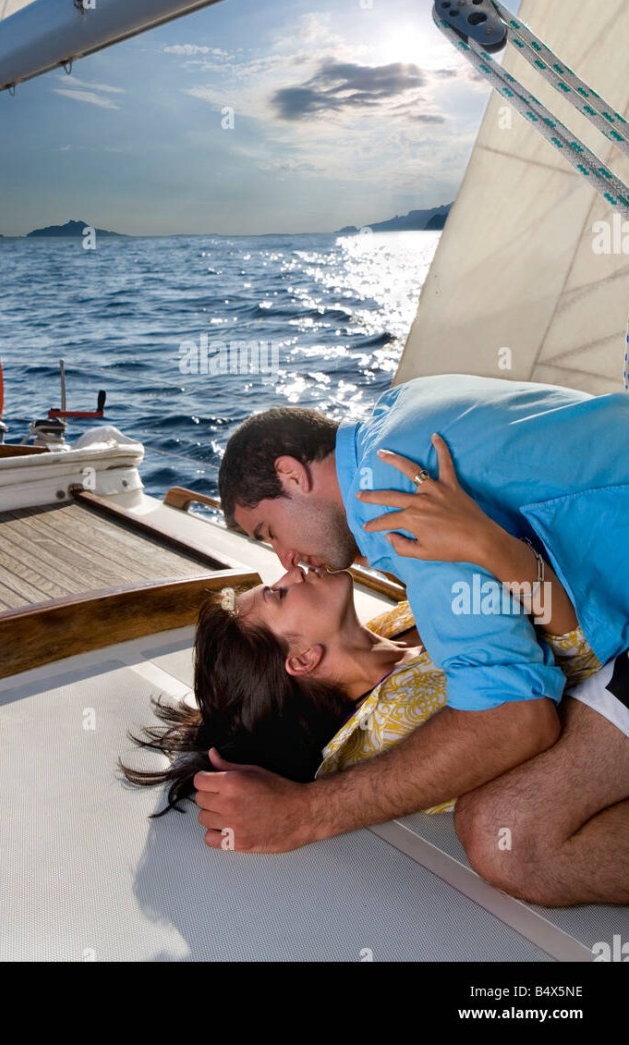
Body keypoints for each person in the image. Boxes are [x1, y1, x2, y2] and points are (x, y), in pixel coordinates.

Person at [202, 373, 629, 906]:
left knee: (509, 838)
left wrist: (306, 814)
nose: (286, 560)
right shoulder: (399, 412)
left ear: (291, 475)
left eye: (270, 532)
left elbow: (519, 713)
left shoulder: (392, 500)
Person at [123, 554, 598, 828]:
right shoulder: (396, 718)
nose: (291, 570)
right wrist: (474, 542)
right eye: (279, 593)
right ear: (303, 659)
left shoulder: (382, 633)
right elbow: (580, 646)